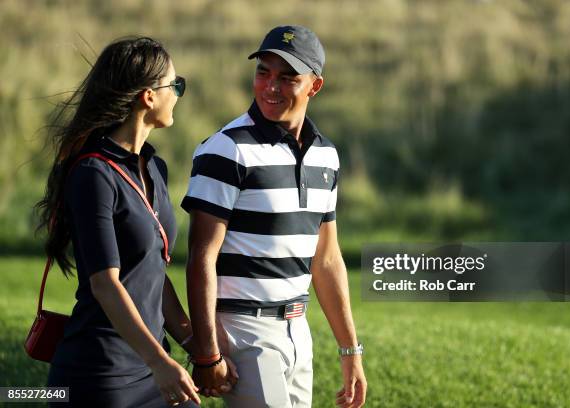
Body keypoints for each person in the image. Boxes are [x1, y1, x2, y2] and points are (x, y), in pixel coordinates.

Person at [182, 25, 367, 407]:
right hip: (244, 330)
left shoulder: (325, 156)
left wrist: (350, 352)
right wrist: (207, 352)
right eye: (263, 72)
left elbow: (328, 259)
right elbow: (202, 257)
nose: (271, 87)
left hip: (299, 330)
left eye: (288, 78)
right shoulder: (226, 150)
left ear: (315, 86)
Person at [37, 36, 200, 407]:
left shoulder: (155, 167)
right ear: (148, 96)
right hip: (101, 375)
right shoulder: (94, 173)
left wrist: (196, 347)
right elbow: (105, 285)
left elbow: (153, 273)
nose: (178, 93)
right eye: (175, 85)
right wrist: (161, 362)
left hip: (151, 362)